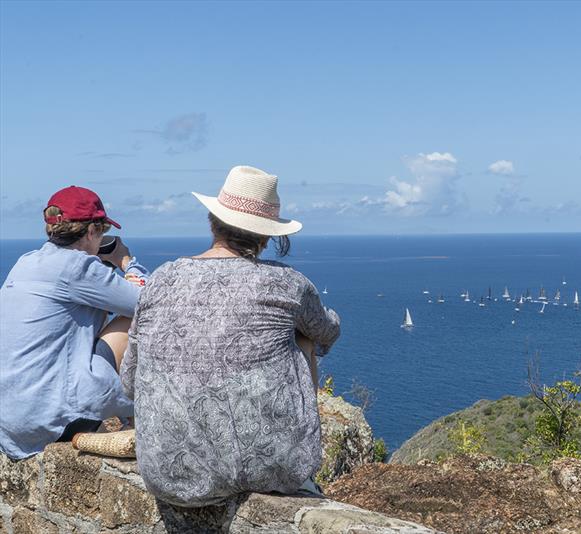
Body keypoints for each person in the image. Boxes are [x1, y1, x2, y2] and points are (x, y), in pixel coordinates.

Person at [120, 165, 340, 507]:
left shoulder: (161, 279)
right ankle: (298, 472)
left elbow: (130, 381)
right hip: (266, 470)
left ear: (213, 222)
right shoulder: (287, 283)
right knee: (304, 338)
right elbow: (327, 332)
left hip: (166, 474)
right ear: (266, 236)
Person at [0, 186, 149, 460]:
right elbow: (148, 301)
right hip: (52, 421)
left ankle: (123, 418)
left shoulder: (26, 263)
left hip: (12, 425)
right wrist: (126, 261)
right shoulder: (77, 267)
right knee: (137, 319)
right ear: (91, 231)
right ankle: (140, 418)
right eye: (102, 231)